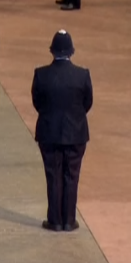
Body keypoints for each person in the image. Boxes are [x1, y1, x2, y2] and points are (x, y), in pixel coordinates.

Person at [31, 30, 92, 232]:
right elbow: (87, 103)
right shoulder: (82, 75)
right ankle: (69, 220)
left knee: (53, 175)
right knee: (71, 176)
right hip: (76, 133)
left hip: (49, 132)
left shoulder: (41, 74)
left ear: (52, 51)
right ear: (71, 51)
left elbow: (37, 102)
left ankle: (55, 220)